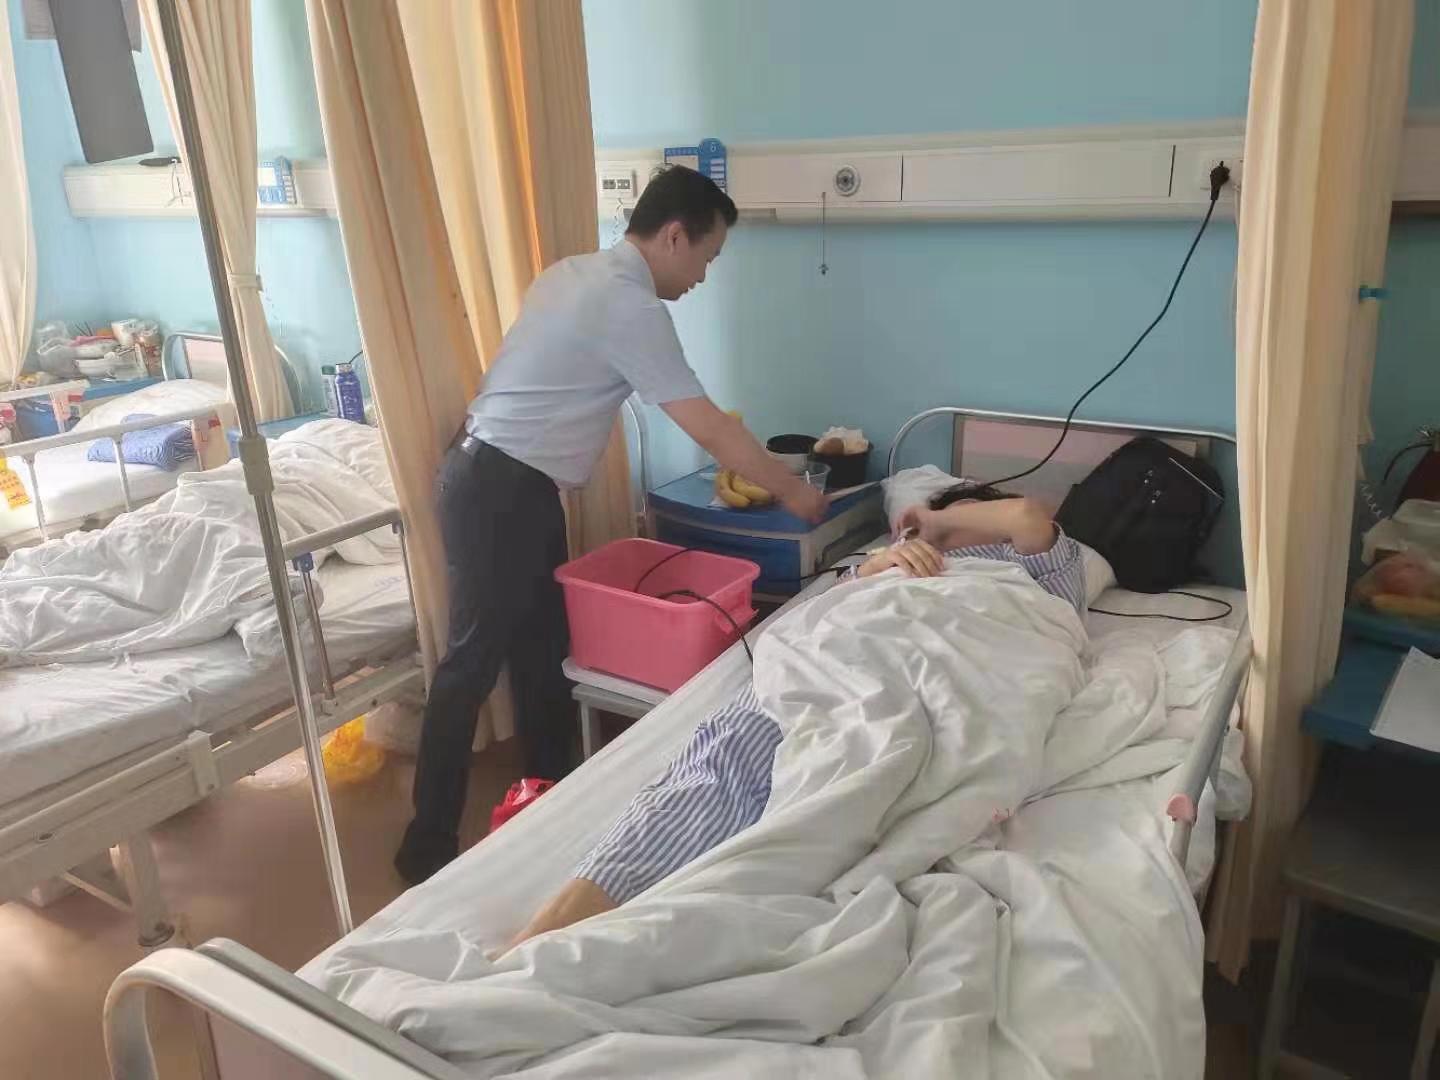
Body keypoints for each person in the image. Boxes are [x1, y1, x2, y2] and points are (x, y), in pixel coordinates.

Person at [396, 166, 830, 885]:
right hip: (500, 488)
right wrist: (793, 492)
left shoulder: (572, 273)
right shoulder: (628, 305)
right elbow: (709, 427)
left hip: (503, 481)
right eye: (707, 257)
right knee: (472, 662)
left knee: (542, 652)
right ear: (674, 236)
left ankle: (551, 800)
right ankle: (425, 848)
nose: (702, 277)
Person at [507, 487, 1086, 945]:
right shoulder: (886, 566)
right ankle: (539, 939)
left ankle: (684, 931)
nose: (942, 537)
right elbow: (828, 613)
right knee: (720, 760)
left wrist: (938, 520)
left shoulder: (1038, 574)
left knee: (853, 781)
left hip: (953, 675)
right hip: (834, 662)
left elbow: (1026, 515)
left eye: (964, 520)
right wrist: (884, 561)